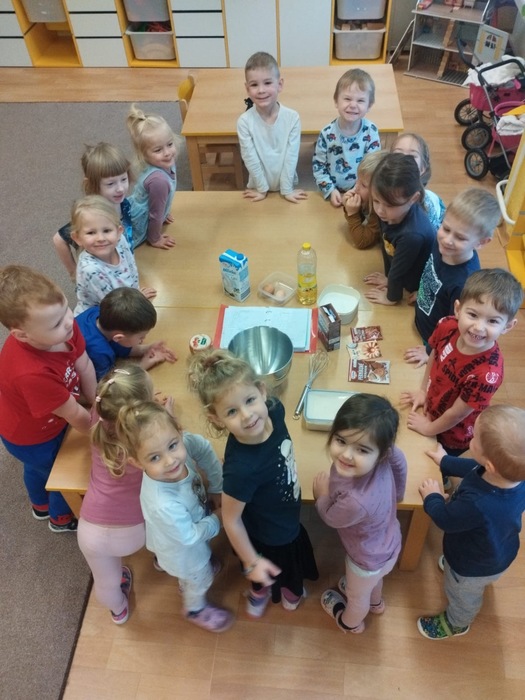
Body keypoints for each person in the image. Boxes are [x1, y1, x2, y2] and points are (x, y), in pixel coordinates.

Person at [189, 349, 318, 618]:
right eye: (232, 411)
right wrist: (251, 563)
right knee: (276, 571)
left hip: (286, 511)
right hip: (270, 531)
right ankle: (277, 594)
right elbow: (230, 519)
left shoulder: (275, 411)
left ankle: (272, 589)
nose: (247, 415)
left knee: (286, 565)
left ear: (262, 391)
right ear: (217, 419)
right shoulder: (242, 471)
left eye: (249, 400)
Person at [115, 399, 234, 633]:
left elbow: (203, 448)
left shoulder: (180, 444)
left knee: (195, 568)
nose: (170, 460)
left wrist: (217, 486)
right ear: (136, 462)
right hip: (184, 551)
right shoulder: (163, 503)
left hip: (180, 532)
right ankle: (195, 608)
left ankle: (187, 580)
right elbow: (189, 537)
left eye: (172, 445)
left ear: (179, 431)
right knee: (201, 578)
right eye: (154, 458)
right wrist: (218, 519)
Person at [0, 265, 96, 531]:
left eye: (65, 308)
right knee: (59, 473)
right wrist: (102, 431)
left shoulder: (65, 328)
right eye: (55, 323)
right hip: (31, 437)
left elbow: (84, 364)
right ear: (22, 335)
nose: (68, 321)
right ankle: (60, 518)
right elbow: (75, 415)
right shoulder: (31, 373)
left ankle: (39, 505)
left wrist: (97, 401)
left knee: (37, 469)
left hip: (48, 416)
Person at [417, 405, 525, 639]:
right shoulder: (512, 478)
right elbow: (474, 468)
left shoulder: (478, 504)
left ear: (491, 466)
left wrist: (433, 497)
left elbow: (445, 519)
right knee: (471, 581)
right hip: (499, 550)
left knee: (462, 595)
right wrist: (445, 461)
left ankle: (457, 623)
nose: (470, 438)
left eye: (474, 438)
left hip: (470, 566)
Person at [400, 268, 523, 458]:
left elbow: (457, 415)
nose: (478, 327)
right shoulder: (447, 325)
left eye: (492, 321)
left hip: (452, 433)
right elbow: (435, 355)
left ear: (507, 326)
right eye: (473, 315)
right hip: (432, 407)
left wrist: (429, 429)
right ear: (458, 309)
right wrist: (423, 390)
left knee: (435, 463)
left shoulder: (487, 374)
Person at [313, 394, 407, 634]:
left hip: (365, 560)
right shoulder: (388, 452)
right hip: (389, 542)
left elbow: (331, 517)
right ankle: (376, 603)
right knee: (373, 581)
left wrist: (321, 495)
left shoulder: (355, 501)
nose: (346, 455)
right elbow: (401, 462)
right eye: (341, 440)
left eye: (362, 450)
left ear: (381, 453)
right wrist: (398, 494)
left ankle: (350, 622)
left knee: (356, 597)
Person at [77, 365, 155, 624]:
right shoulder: (145, 436)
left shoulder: (96, 417)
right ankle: (161, 559)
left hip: (89, 530)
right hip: (133, 531)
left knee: (105, 582)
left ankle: (118, 611)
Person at [404, 188, 500, 367]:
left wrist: (429, 351)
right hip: (423, 314)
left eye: (460, 238)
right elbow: (434, 272)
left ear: (481, 242)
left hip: (431, 339)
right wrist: (425, 291)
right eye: (446, 228)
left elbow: (455, 328)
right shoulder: (441, 244)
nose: (447, 239)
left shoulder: (465, 284)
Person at [52, 142, 136, 280]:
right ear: (92, 184)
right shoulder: (92, 215)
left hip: (122, 268)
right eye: (110, 183)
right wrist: (73, 271)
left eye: (123, 179)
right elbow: (58, 239)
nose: (120, 188)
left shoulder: (123, 204)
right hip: (102, 278)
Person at [363, 153, 435, 306]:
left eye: (389, 205)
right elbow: (387, 245)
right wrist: (388, 278)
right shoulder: (390, 214)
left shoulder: (412, 235)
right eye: (376, 201)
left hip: (416, 283)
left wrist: (391, 297)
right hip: (404, 268)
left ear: (413, 199)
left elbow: (399, 271)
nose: (380, 210)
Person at [237, 51, 308, 204]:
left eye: (267, 83)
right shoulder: (244, 122)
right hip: (258, 186)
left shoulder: (292, 118)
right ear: (247, 89)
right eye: (254, 85)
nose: (261, 90)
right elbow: (250, 158)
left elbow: (291, 156)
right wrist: (262, 188)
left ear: (279, 84)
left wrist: (287, 189)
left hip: (286, 186)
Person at [70, 195, 156, 315]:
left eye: (107, 230)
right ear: (77, 238)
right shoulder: (90, 269)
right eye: (91, 232)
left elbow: (132, 268)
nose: (100, 238)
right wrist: (135, 302)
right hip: (104, 315)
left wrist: (136, 294)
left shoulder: (121, 241)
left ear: (119, 231)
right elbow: (113, 307)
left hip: (124, 303)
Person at [75, 287, 177, 380]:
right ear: (119, 338)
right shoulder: (99, 353)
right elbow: (108, 384)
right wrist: (142, 366)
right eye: (141, 337)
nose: (143, 340)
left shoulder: (98, 313)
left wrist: (146, 348)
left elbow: (120, 344)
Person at [313, 68, 381, 208]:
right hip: (332, 192)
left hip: (361, 194)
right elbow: (318, 166)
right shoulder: (326, 133)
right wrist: (330, 190)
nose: (353, 105)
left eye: (360, 100)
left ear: (369, 106)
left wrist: (358, 192)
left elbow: (373, 168)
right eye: (347, 99)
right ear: (336, 101)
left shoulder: (371, 132)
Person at [127, 103, 178, 249]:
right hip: (138, 223)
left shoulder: (165, 163)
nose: (167, 153)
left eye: (170, 144)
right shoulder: (159, 181)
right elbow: (155, 213)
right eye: (158, 150)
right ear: (143, 154)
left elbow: (158, 203)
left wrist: (164, 212)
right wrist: (154, 238)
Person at [390, 132, 445, 233]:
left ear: (422, 168)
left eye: (412, 155)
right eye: (398, 153)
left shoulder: (426, 207)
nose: (404, 159)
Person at [342, 150, 388, 249]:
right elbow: (362, 219)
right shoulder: (368, 200)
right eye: (357, 180)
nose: (356, 187)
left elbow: (361, 241)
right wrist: (350, 207)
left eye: (363, 185)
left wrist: (352, 214)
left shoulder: (379, 211)